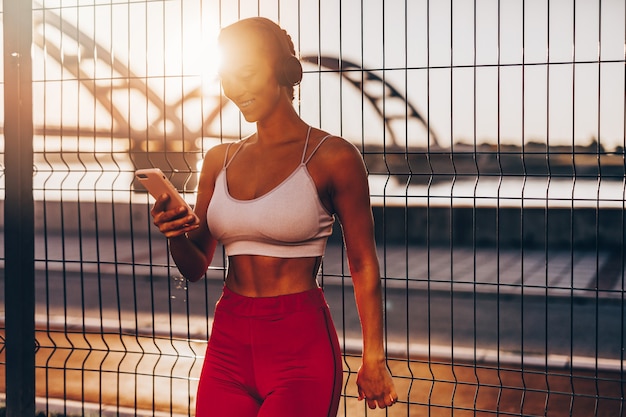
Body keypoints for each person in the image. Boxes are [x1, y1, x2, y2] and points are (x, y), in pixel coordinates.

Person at [150, 16, 397, 417]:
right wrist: (175, 232)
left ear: (283, 71)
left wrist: (374, 358)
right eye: (228, 77)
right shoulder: (218, 160)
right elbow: (195, 267)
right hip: (228, 341)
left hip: (301, 347)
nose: (236, 89)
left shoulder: (334, 157)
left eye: (247, 74)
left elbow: (363, 263)